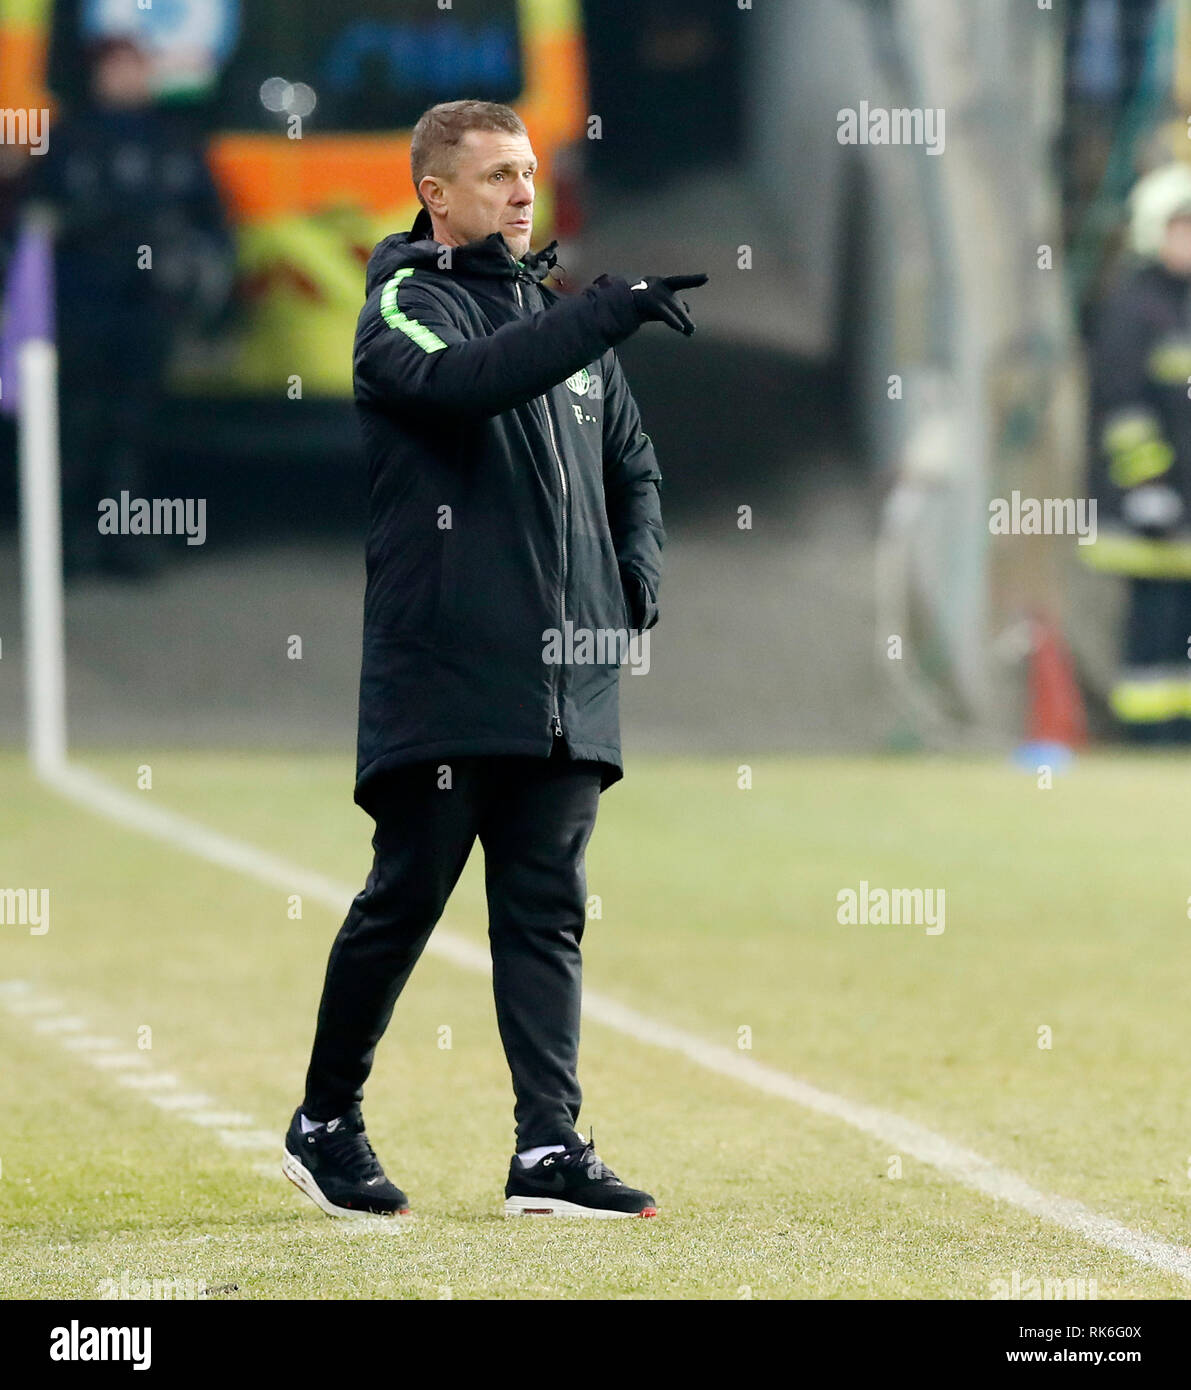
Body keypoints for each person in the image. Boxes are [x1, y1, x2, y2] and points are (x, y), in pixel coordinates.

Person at [282, 100, 706, 1219]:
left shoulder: (563, 325)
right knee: (408, 893)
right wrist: (603, 316)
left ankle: (548, 1150)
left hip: (569, 677)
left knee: (545, 910)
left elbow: (638, 472)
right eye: (498, 175)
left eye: (530, 172)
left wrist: (636, 582)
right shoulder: (402, 312)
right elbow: (471, 383)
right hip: (449, 672)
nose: (524, 191)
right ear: (436, 193)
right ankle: (326, 1118)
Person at [24, 36, 232, 578]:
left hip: (147, 310)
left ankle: (126, 545)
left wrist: (210, 289)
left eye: (134, 68)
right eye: (114, 68)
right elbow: (30, 220)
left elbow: (211, 222)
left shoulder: (175, 140)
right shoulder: (66, 139)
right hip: (81, 309)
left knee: (135, 430)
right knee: (74, 428)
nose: (125, 79)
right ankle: (67, 545)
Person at [1082, 161, 1191, 741]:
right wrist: (1149, 489)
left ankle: (1178, 731)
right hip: (1149, 507)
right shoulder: (1135, 306)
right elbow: (1123, 409)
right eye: (1184, 228)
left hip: (1187, 508)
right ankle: (1147, 735)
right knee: (1155, 620)